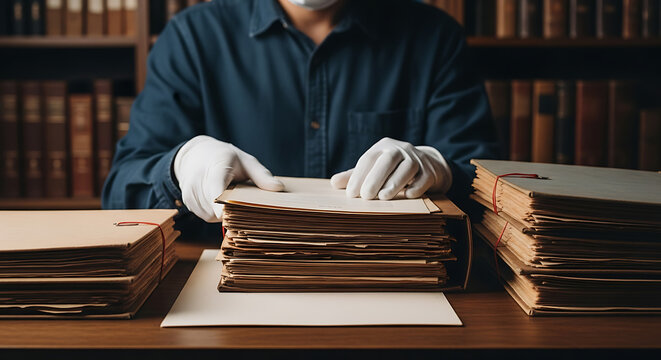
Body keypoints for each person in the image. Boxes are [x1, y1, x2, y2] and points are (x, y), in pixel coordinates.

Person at [102, 0, 499, 240]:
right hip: (229, 287)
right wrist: (179, 166)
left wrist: (443, 169)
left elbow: (491, 190)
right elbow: (120, 194)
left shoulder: (433, 36)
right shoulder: (192, 37)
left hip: (392, 282)